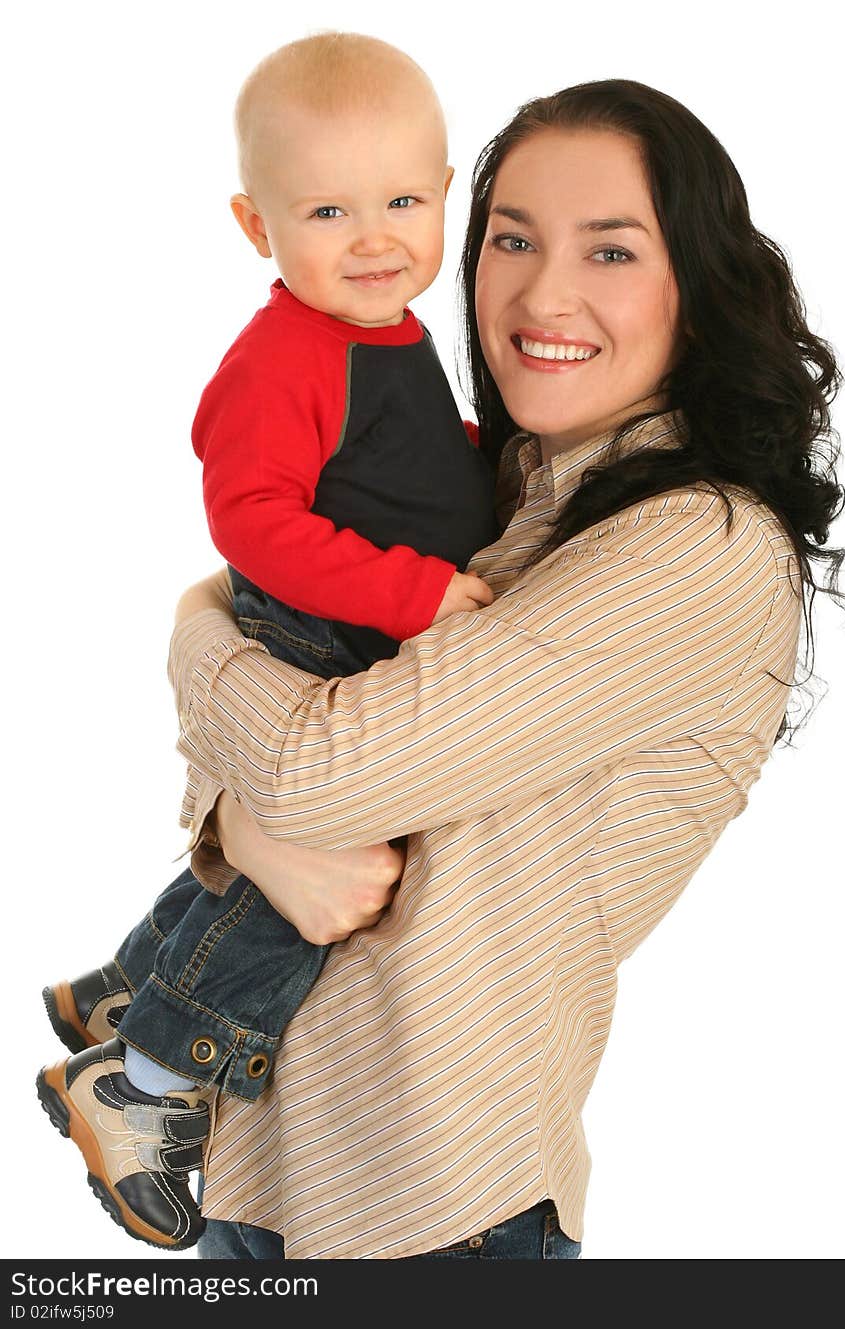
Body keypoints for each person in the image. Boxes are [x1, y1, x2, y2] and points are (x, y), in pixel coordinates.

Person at [166, 78, 845, 1261]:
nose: (543, 293)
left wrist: (188, 633)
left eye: (612, 250)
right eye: (512, 239)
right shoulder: (490, 499)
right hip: (251, 1174)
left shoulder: (700, 543)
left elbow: (321, 768)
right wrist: (240, 820)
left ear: (698, 285)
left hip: (431, 1213)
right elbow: (280, 704)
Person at [35, 32, 498, 1251]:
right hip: (320, 634)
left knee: (290, 864)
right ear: (256, 227)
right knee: (322, 884)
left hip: (358, 622)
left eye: (403, 200)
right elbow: (253, 522)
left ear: (445, 191)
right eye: (328, 210)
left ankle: (126, 983)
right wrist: (415, 593)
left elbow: (385, 456)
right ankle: (145, 1080)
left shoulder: (380, 327)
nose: (375, 236)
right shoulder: (286, 354)